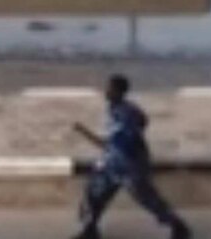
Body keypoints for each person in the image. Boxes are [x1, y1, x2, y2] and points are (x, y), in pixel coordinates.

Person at [71, 75, 192, 239]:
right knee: (94, 193)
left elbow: (126, 137)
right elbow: (112, 141)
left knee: (148, 199)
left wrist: (85, 132)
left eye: (110, 88)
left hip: (129, 166)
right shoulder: (114, 110)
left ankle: (178, 227)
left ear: (120, 91)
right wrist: (85, 132)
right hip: (112, 164)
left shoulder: (127, 113)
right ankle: (90, 229)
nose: (106, 91)